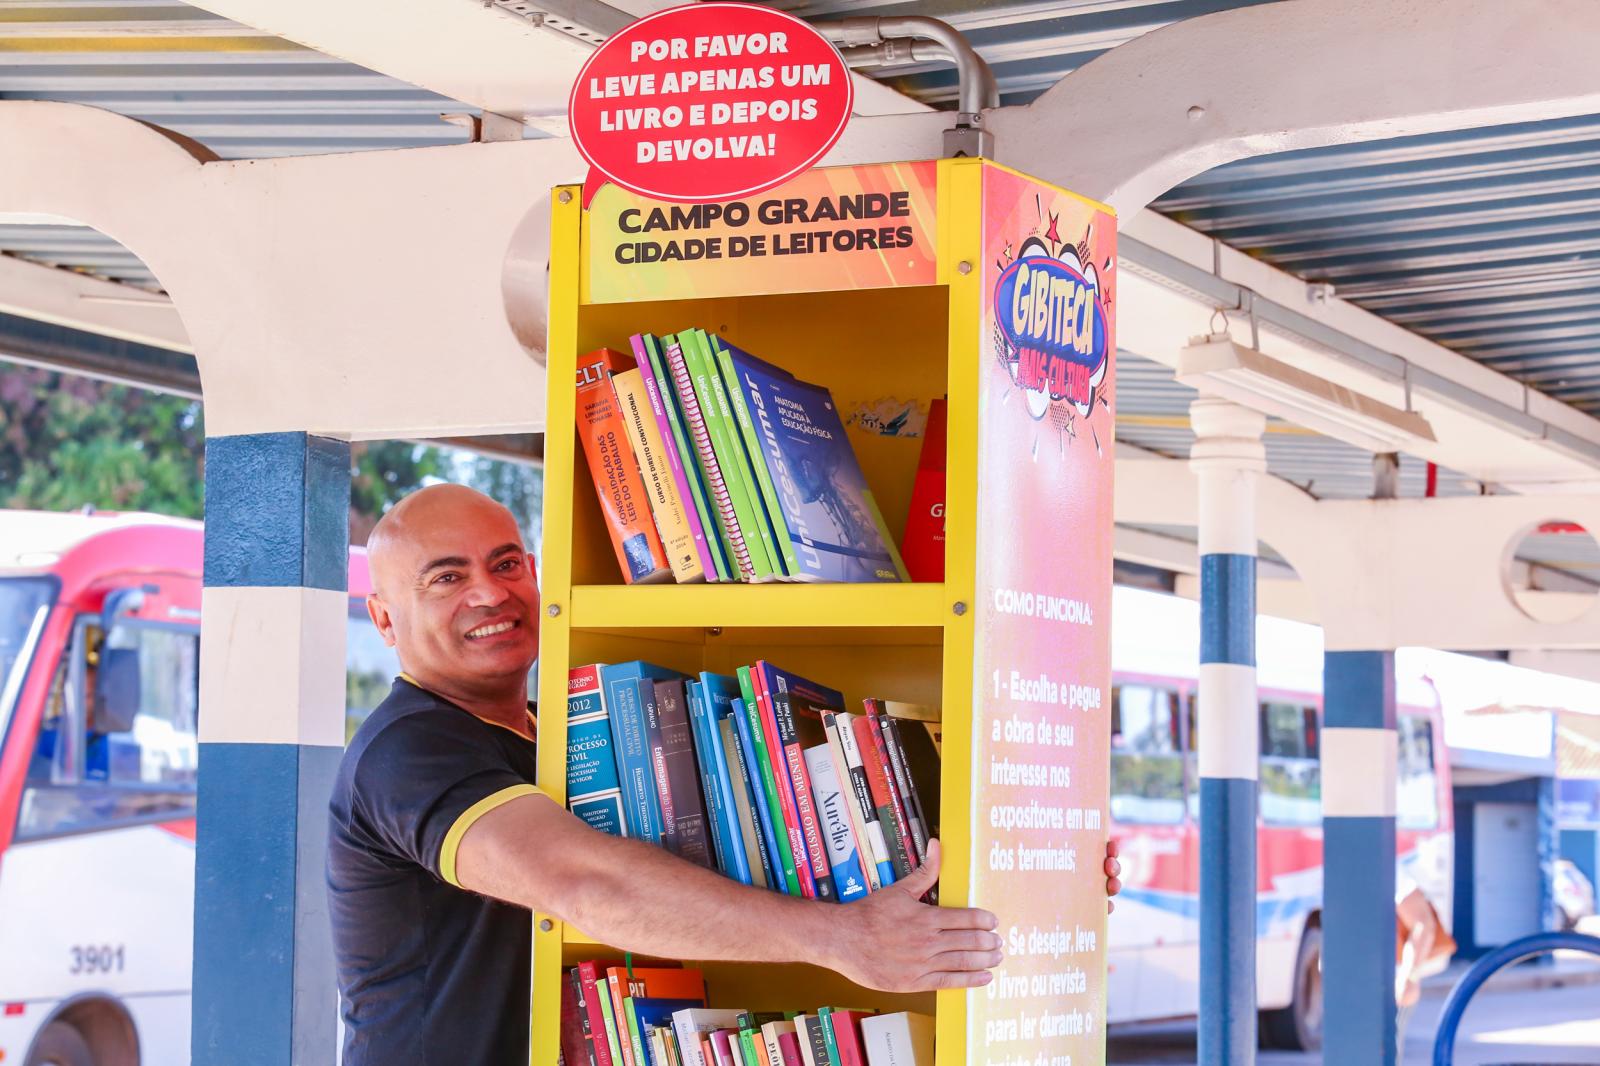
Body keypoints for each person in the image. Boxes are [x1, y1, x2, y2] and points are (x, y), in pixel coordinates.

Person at [327, 484, 1123, 1065]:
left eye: (506, 564)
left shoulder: (559, 735)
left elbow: (711, 872)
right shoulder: (409, 749)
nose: (490, 592)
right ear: (384, 618)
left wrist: (1042, 864)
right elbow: (587, 885)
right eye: (446, 577)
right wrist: (842, 940)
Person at [1395, 875, 1455, 1056]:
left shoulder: (1395, 880)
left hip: (1394, 977)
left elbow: (1422, 925)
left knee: (1384, 1043)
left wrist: (1409, 975)